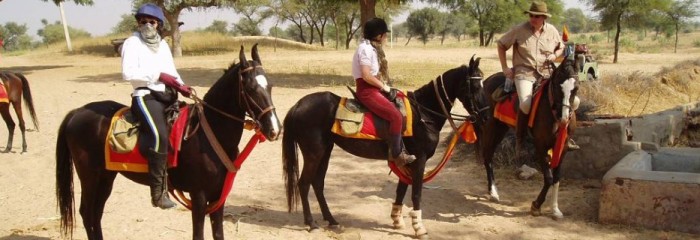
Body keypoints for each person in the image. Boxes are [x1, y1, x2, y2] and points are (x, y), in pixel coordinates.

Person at [121, 3, 192, 209]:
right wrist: (158, 76)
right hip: (145, 96)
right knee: (159, 135)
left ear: (159, 24)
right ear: (138, 23)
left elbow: (172, 71)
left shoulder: (161, 45)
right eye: (143, 21)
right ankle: (158, 192)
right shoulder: (132, 43)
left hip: (167, 96)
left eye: (152, 21)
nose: (147, 25)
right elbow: (128, 72)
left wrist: (182, 85)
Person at [496, 1, 580, 156]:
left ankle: (568, 137)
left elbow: (561, 46)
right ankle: (520, 141)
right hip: (524, 73)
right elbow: (501, 45)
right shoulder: (519, 30)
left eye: (537, 16)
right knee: (526, 104)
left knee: (574, 102)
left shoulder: (552, 30)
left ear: (544, 17)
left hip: (547, 73)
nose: (533, 18)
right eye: (531, 15)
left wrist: (555, 55)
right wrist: (505, 68)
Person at [352, 17, 415, 166]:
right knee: (396, 117)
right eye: (385, 35)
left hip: (374, 88)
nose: (386, 37)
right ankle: (397, 154)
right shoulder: (366, 49)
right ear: (379, 36)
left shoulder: (372, 48)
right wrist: (383, 87)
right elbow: (366, 75)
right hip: (367, 91)